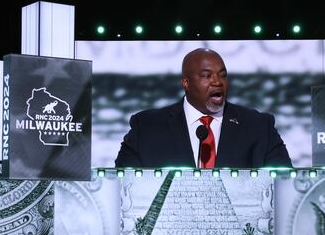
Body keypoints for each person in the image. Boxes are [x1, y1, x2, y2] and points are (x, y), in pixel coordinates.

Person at [114, 48, 292, 168]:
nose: (217, 82)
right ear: (186, 83)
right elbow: (122, 185)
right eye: (207, 76)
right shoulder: (147, 127)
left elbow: (285, 185)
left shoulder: (259, 127)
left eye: (222, 75)